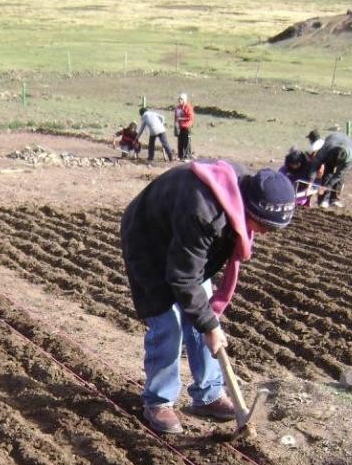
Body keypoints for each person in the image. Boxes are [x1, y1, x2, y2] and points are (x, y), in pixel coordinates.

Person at [120, 161, 296, 434]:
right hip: (149, 243)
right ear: (248, 207)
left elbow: (194, 275)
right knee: (169, 324)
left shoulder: (237, 199)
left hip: (185, 246)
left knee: (204, 317)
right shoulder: (203, 212)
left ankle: (208, 395)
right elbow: (183, 277)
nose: (263, 233)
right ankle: (158, 401)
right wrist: (210, 327)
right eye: (263, 226)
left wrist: (208, 323)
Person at [308, 131, 352, 208]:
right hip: (333, 141)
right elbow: (315, 164)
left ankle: (334, 199)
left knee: (339, 178)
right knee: (327, 173)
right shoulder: (326, 148)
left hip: (349, 147)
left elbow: (338, 175)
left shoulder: (350, 158)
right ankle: (322, 201)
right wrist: (310, 182)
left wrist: (326, 187)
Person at [174, 93, 195, 161]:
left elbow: (190, 117)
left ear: (184, 100)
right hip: (180, 127)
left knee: (186, 142)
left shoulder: (188, 107)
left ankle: (186, 156)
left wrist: (181, 119)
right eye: (179, 99)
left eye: (181, 99)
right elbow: (176, 117)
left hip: (187, 127)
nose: (179, 100)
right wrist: (175, 126)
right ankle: (180, 155)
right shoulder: (178, 108)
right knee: (180, 141)